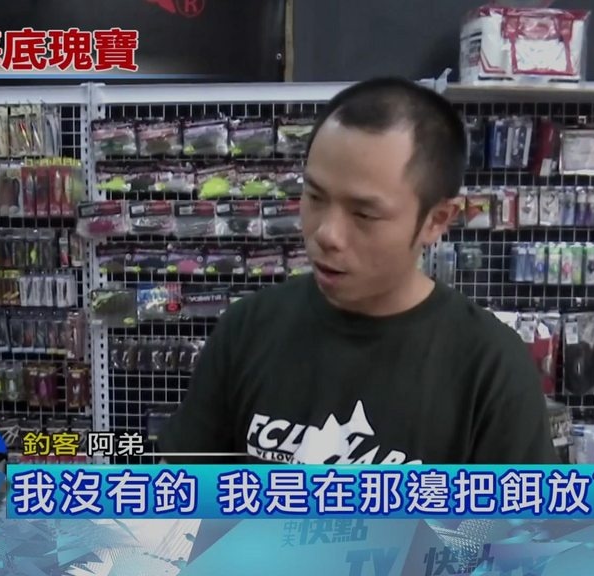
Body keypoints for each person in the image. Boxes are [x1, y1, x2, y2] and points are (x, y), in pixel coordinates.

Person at [157, 77, 559, 465]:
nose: (326, 234)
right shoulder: (248, 329)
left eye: (364, 214)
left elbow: (516, 513)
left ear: (436, 220)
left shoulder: (491, 369)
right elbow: (181, 491)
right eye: (315, 197)